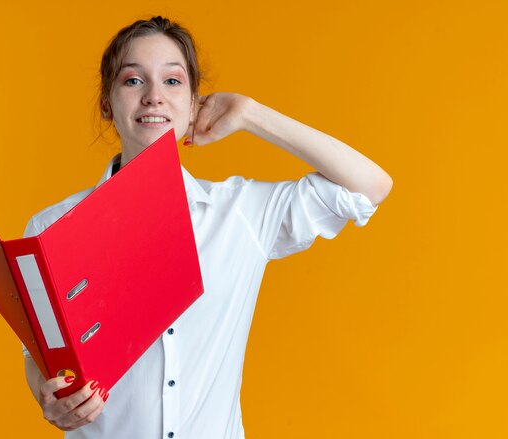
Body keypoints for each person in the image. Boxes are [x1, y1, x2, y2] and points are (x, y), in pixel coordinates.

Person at [22, 15, 392, 439]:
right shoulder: (52, 227)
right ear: (107, 103)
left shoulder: (240, 213)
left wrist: (251, 114)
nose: (154, 98)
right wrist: (48, 398)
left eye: (173, 81)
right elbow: (39, 354)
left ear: (195, 101)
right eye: (133, 81)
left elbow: (369, 186)